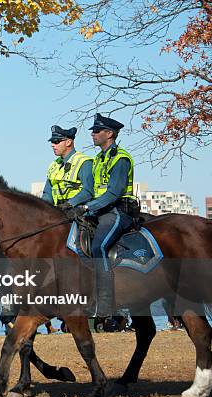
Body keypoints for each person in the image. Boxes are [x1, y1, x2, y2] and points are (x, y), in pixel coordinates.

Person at [67, 113, 137, 317]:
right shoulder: (98, 159)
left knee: (99, 246)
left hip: (118, 211)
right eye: (93, 131)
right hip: (100, 210)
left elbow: (114, 192)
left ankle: (106, 305)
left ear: (110, 134)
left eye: (97, 131)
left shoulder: (121, 158)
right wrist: (73, 206)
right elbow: (92, 190)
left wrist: (88, 208)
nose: (92, 134)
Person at [42, 125, 93, 211]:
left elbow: (88, 191)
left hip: (78, 210)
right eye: (52, 142)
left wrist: (69, 204)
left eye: (56, 141)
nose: (53, 145)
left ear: (69, 142)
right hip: (58, 211)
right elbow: (47, 193)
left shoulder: (83, 161)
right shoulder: (53, 165)